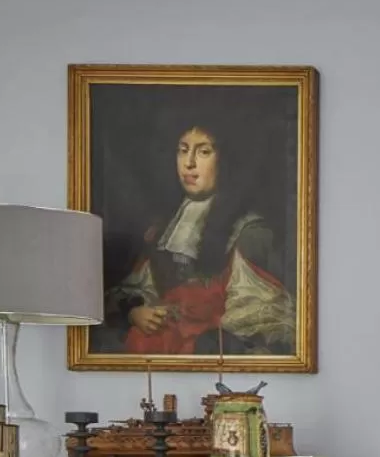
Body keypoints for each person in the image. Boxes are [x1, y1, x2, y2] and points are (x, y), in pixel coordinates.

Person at [101, 115, 294, 355]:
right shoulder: (163, 229)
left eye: (203, 152)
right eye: (183, 151)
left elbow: (260, 319)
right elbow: (137, 290)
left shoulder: (250, 233)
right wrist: (134, 312)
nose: (189, 163)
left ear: (226, 160)